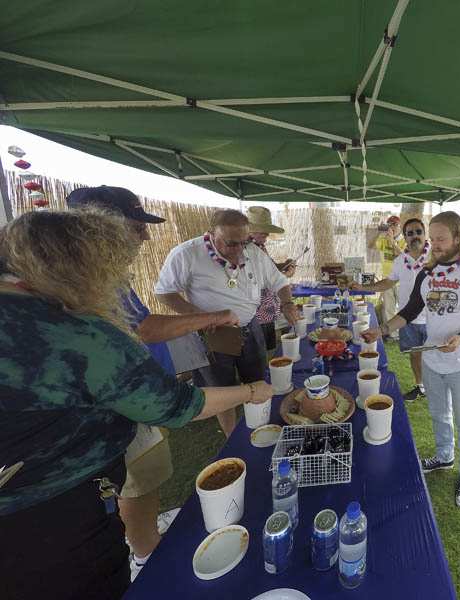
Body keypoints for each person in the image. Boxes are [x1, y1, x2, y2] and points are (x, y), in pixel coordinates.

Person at [0, 209, 272, 600]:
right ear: (80, 266)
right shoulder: (77, 335)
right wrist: (251, 392)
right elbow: (177, 406)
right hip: (55, 509)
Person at [65, 185, 239, 580]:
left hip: (132, 395)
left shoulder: (105, 276)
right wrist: (211, 319)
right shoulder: (86, 279)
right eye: (135, 225)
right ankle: (145, 556)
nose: (144, 236)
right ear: (98, 226)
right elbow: (145, 328)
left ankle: (143, 540)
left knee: (144, 473)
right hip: (119, 404)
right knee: (137, 476)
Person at [362, 211, 460, 509]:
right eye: (431, 238)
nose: (432, 244)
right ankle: (445, 456)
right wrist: (381, 330)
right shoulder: (427, 273)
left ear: (458, 238)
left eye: (440, 239)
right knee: (438, 415)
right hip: (433, 363)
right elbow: (409, 311)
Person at [155, 209, 300, 437]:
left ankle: (260, 428)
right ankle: (232, 437)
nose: (239, 250)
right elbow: (165, 292)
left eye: (243, 242)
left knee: (257, 381)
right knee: (221, 389)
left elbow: (279, 281)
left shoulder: (252, 251)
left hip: (250, 327)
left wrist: (288, 303)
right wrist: (198, 317)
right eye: (232, 244)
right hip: (212, 334)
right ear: (212, 233)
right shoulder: (187, 253)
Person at [353, 217, 429, 402]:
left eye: (418, 232)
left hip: (433, 319)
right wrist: (363, 288)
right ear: (405, 236)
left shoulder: (435, 257)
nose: (415, 236)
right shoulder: (401, 260)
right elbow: (388, 282)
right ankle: (420, 386)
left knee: (435, 359)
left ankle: (438, 390)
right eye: (410, 233)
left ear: (425, 234)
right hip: (407, 318)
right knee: (414, 354)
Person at [246, 206, 296, 358]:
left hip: (267, 310)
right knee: (260, 353)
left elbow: (271, 269)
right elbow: (259, 279)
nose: (267, 234)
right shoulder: (245, 249)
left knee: (268, 349)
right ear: (249, 230)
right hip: (258, 314)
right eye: (262, 230)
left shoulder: (260, 246)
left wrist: (283, 265)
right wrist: (285, 274)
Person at [372, 215, 405, 337]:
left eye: (395, 225)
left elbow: (404, 257)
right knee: (388, 307)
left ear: (400, 226)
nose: (393, 227)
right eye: (390, 224)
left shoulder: (404, 240)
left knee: (404, 307)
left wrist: (392, 242)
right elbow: (372, 245)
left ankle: (405, 331)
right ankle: (393, 334)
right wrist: (379, 233)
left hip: (402, 279)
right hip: (387, 278)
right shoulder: (383, 239)